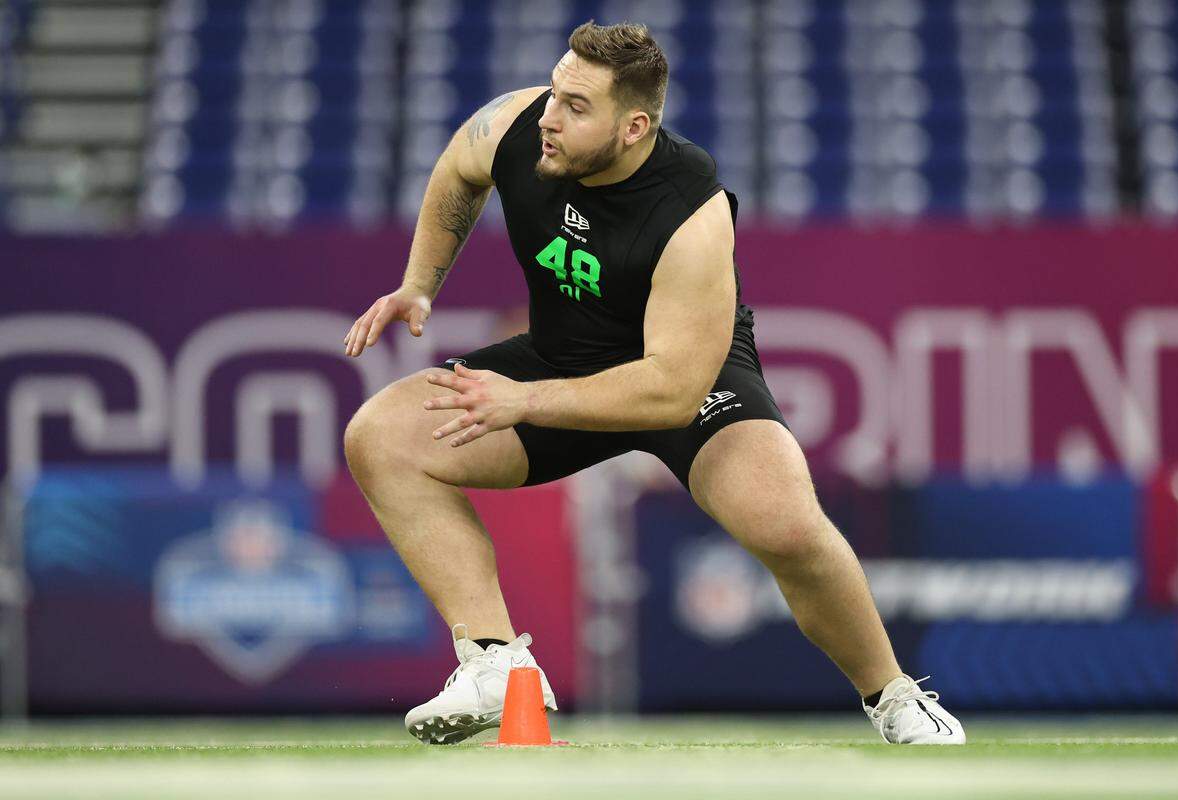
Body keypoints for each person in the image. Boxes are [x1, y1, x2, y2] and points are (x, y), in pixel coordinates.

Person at [342, 21, 965, 745]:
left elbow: (671, 389)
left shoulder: (690, 212)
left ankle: (892, 697)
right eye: (555, 92)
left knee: (785, 526)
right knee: (381, 436)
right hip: (563, 355)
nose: (550, 115)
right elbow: (457, 167)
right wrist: (420, 283)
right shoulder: (519, 126)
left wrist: (524, 400)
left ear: (634, 126)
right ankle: (494, 662)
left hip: (686, 375)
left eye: (578, 108)